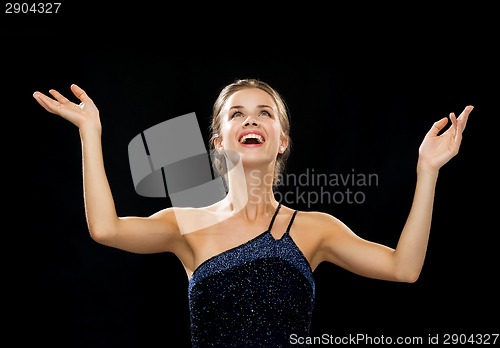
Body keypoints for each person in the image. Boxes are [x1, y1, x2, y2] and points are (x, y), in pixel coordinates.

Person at [33, 79, 473, 347]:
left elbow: (404, 268)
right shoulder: (183, 224)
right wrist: (91, 132)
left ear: (282, 140)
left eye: (264, 113)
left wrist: (427, 170)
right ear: (218, 141)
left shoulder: (315, 228)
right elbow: (105, 229)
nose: (250, 121)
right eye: (236, 114)